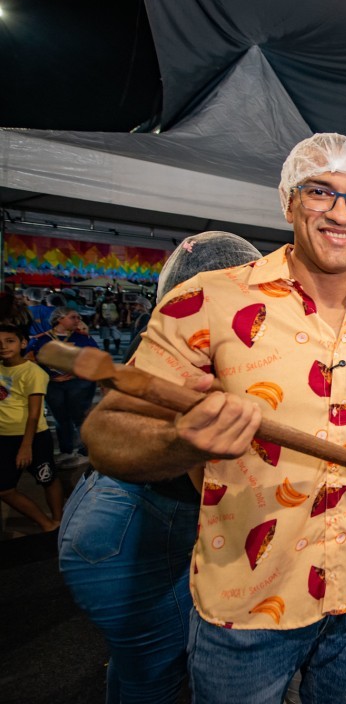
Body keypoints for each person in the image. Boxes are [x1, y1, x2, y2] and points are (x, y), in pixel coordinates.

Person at [81, 132, 346, 704]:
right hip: (249, 603)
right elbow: (107, 432)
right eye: (320, 192)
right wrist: (184, 441)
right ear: (288, 202)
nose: (341, 213)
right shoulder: (209, 300)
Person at [57, 232, 262, 703]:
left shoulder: (165, 332)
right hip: (139, 520)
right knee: (160, 671)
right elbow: (200, 467)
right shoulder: (199, 343)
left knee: (136, 671)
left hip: (106, 506)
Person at [0, 324, 62, 532]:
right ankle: (47, 524)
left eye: (10, 341)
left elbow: (35, 414)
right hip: (4, 438)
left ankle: (58, 520)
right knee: (5, 489)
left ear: (23, 343)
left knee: (47, 478)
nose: (3, 346)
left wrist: (26, 446)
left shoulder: (33, 372)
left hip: (32, 437)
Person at [27, 307, 100, 468]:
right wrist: (50, 375)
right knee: (61, 418)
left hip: (79, 384)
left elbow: (96, 359)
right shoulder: (42, 339)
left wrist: (75, 372)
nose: (78, 320)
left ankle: (84, 451)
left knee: (80, 417)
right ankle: (66, 450)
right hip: (52, 385)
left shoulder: (83, 338)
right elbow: (29, 361)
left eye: (78, 317)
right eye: (73, 317)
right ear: (59, 319)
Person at [123, 295, 154, 362]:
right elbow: (128, 323)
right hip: (134, 342)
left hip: (138, 344)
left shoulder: (145, 317)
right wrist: (129, 312)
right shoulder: (139, 316)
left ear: (141, 306)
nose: (135, 306)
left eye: (137, 305)